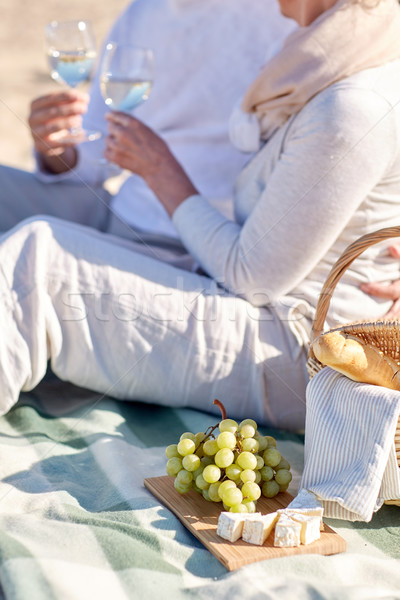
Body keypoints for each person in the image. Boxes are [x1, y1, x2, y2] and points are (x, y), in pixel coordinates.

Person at [0, 0, 400, 433]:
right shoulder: (320, 55)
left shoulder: (340, 88)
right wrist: (59, 151)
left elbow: (252, 276)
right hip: (230, 272)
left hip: (298, 345)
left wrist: (159, 168)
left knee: (36, 260)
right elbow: (102, 144)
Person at [0, 0, 294, 239]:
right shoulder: (143, 10)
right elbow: (99, 147)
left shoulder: (285, 17)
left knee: (29, 256)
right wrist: (56, 150)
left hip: (190, 245)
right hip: (120, 213)